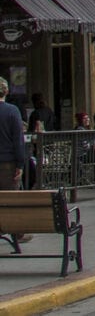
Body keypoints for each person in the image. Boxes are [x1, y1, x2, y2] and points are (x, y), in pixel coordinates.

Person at [0, 78, 28, 243]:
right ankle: (17, 233)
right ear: (6, 92)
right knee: (12, 199)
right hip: (7, 162)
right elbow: (18, 140)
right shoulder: (12, 111)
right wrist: (20, 163)